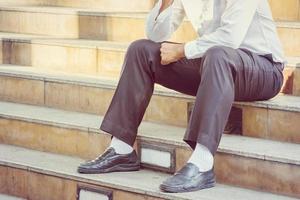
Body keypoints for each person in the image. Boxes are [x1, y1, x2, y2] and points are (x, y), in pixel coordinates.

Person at [78, 0, 285, 193]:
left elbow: (230, 37)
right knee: (140, 50)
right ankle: (121, 149)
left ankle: (202, 163)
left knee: (218, 55)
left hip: (263, 69)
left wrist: (182, 50)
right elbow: (155, 35)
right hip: (214, 66)